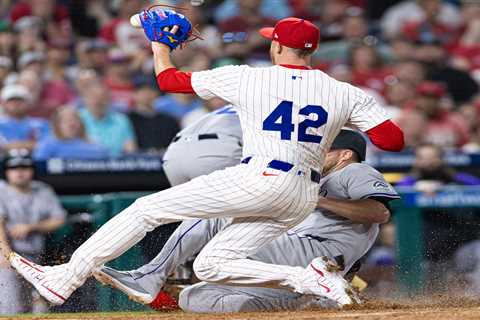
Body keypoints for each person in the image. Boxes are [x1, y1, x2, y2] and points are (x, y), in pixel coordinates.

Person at [8, 13, 404, 308]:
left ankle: (65, 278)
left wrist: (159, 46)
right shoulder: (344, 91)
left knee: (146, 209)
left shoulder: (249, 77)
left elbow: (169, 81)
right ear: (312, 50)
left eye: (273, 40)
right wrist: (343, 114)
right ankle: (310, 279)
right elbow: (393, 139)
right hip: (301, 193)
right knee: (214, 264)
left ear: (278, 47)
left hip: (262, 176)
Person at [94, 130, 399, 313]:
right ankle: (305, 300)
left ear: (345, 153)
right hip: (296, 261)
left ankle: (151, 274)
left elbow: (379, 213)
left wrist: (316, 199)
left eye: (325, 147)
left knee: (221, 212)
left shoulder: (353, 171)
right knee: (194, 298)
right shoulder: (312, 176)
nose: (317, 151)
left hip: (316, 252)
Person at [0, 149, 66, 315]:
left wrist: (31, 227)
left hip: (37, 257)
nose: (20, 172)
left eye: (25, 167)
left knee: (40, 307)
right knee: (11, 308)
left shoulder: (43, 189)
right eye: (14, 168)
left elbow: (59, 219)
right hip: (8, 255)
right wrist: (6, 255)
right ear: (6, 171)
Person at [78, 81, 137, 157]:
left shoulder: (121, 120)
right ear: (85, 99)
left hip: (116, 165)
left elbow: (131, 149)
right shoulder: (77, 118)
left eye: (102, 98)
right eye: (93, 97)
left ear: (109, 100)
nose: (98, 101)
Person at [33, 105, 109, 160]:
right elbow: (39, 165)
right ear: (57, 125)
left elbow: (104, 157)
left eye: (74, 119)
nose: (71, 123)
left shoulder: (94, 143)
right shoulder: (48, 144)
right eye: (66, 120)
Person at [128, 80, 180, 155]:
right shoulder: (127, 119)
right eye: (142, 91)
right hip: (137, 161)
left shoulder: (169, 120)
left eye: (151, 90)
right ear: (133, 94)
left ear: (157, 94)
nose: (147, 94)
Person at [0, 84, 50, 152]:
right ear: (3, 103)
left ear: (28, 103)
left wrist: (14, 145)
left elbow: (49, 145)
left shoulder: (42, 124)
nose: (16, 104)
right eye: (11, 100)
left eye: (20, 100)